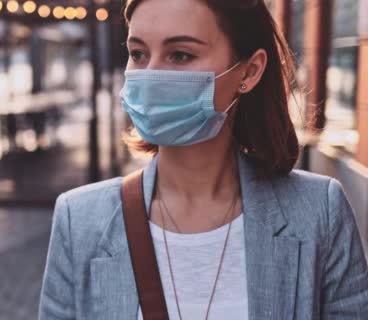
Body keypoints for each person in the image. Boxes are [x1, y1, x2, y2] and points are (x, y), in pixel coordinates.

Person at [38, 0, 368, 319]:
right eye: (138, 54)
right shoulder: (78, 220)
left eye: (180, 55)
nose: (150, 75)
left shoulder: (319, 213)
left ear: (250, 72)